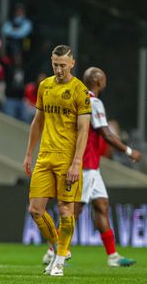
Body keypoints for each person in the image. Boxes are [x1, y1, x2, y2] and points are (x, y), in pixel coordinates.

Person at [42, 67, 141, 267]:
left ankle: (113, 256)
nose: (105, 81)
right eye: (103, 78)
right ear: (98, 81)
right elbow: (106, 134)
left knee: (101, 206)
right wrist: (129, 152)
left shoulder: (76, 98)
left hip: (91, 165)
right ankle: (52, 251)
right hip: (85, 165)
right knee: (75, 210)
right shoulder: (93, 102)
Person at [23, 45, 91, 277]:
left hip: (67, 159)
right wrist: (29, 153)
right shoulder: (45, 86)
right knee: (35, 209)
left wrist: (76, 162)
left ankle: (59, 261)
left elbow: (84, 130)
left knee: (65, 210)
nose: (59, 69)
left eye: (63, 65)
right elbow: (37, 121)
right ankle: (61, 248)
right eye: (55, 65)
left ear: (72, 63)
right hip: (45, 156)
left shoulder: (80, 91)